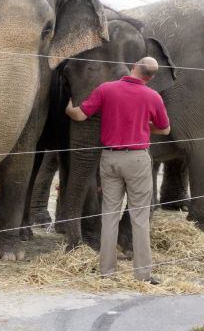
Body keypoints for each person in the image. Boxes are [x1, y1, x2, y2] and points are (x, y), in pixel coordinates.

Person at [65, 57, 170, 284]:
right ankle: (143, 275)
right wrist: (142, 124)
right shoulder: (153, 96)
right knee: (140, 217)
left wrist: (68, 107)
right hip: (138, 160)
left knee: (109, 214)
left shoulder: (106, 89)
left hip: (110, 157)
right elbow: (165, 129)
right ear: (151, 77)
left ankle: (107, 272)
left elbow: (80, 114)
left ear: (133, 67)